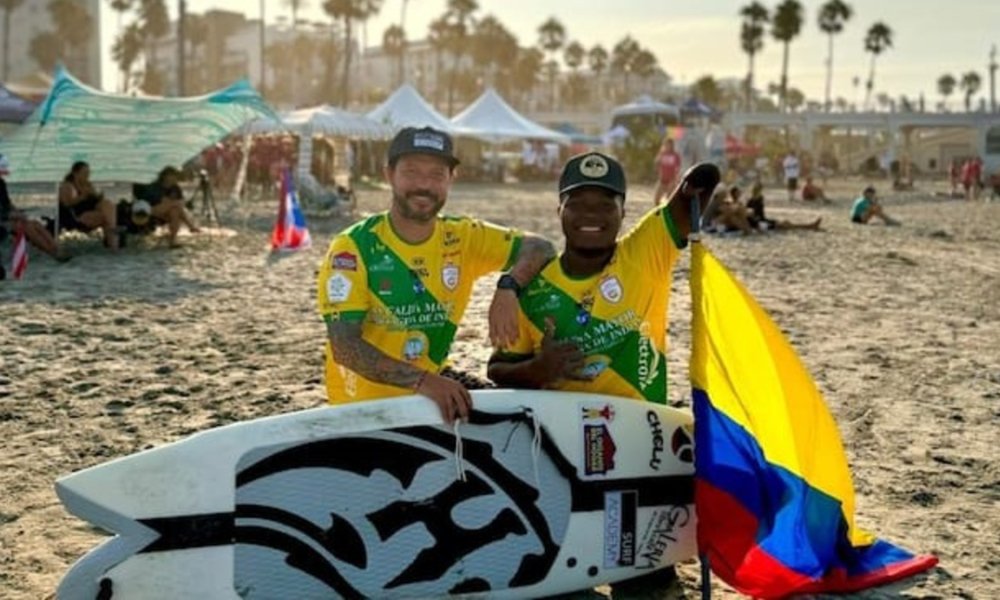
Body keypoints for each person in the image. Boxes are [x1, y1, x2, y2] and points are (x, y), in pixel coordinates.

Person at [487, 154, 720, 595]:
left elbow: (690, 202)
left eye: (604, 205)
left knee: (644, 582)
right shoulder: (534, 293)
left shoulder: (645, 250)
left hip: (642, 448)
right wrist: (541, 368)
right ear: (559, 211)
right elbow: (496, 370)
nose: (591, 216)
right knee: (569, 580)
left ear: (622, 213)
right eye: (578, 204)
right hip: (565, 456)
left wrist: (697, 184)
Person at [316, 126, 556, 424]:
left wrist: (508, 287)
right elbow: (346, 348)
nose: (424, 185)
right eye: (412, 172)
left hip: (434, 390)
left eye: (436, 175)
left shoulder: (463, 236)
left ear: (451, 180)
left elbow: (541, 248)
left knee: (523, 419)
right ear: (389, 174)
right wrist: (423, 381)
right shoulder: (352, 247)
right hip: (365, 409)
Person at [0, 154, 66, 261]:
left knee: (36, 224)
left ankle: (56, 248)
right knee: (28, 227)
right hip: (3, 220)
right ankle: (51, 252)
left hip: (6, 217)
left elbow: (7, 204)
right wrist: (13, 215)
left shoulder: (1, 183)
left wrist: (16, 211)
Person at [57, 161, 119, 250]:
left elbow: (94, 201)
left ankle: (112, 241)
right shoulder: (68, 186)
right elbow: (67, 204)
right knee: (106, 219)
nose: (87, 175)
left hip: (89, 212)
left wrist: (96, 196)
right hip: (76, 216)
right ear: (76, 173)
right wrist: (82, 196)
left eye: (88, 173)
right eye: (84, 173)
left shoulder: (87, 185)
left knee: (107, 204)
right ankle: (113, 244)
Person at [134, 166, 200, 247]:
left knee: (175, 211)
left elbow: (180, 201)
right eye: (171, 176)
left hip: (167, 212)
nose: (173, 178)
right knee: (173, 205)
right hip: (152, 210)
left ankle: (173, 241)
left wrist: (174, 203)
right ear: (164, 177)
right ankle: (190, 226)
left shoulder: (175, 188)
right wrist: (173, 203)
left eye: (174, 176)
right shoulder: (156, 186)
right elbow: (160, 201)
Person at [745, 182, 822, 232]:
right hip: (760, 222)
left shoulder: (759, 199)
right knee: (785, 225)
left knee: (786, 223)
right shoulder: (752, 201)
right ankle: (808, 227)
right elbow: (752, 216)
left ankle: (808, 226)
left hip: (764, 220)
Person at [653, 138, 682, 205]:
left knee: (669, 198)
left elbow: (678, 168)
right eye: (666, 144)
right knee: (656, 198)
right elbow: (657, 163)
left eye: (669, 144)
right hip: (662, 179)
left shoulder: (675, 155)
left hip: (671, 179)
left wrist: (676, 178)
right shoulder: (662, 154)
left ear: (672, 145)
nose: (667, 146)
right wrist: (658, 170)